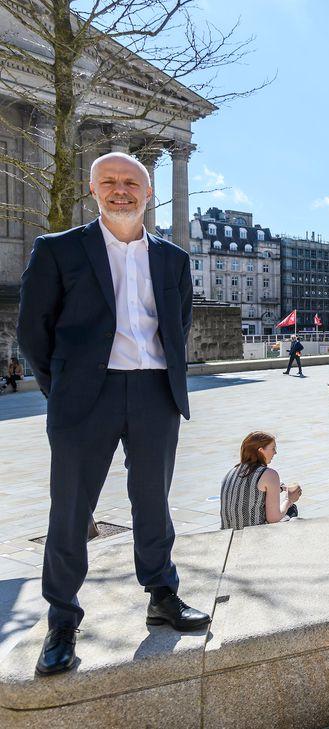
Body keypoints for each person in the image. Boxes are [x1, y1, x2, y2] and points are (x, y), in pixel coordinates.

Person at [17, 152, 211, 677]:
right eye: (109, 182)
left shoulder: (172, 259)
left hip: (155, 394)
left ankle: (162, 595)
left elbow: (178, 322)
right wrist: (62, 389)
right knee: (72, 510)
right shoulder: (59, 250)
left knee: (154, 501)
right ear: (93, 190)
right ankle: (62, 620)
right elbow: (33, 329)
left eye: (131, 182)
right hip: (85, 397)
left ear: (148, 193)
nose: (120, 190)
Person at [220, 432, 302, 530]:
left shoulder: (231, 472)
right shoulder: (269, 474)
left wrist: (281, 487)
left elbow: (250, 489)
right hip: (254, 536)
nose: (275, 453)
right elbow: (273, 518)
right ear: (261, 450)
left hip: (230, 535)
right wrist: (289, 499)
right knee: (291, 510)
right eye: (273, 448)